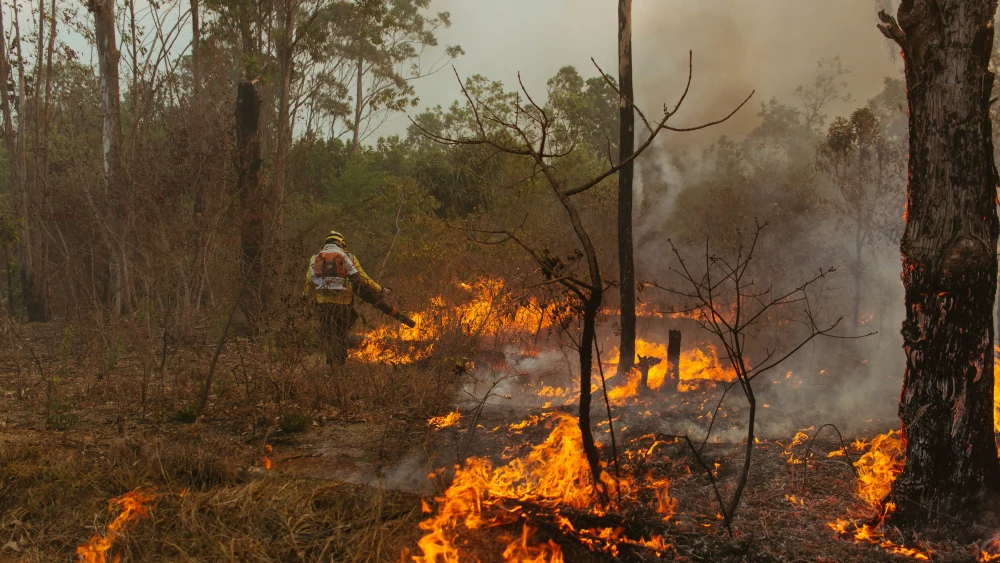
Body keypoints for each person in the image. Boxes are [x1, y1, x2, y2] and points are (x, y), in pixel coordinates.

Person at [304, 230, 391, 365]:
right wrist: (380, 290)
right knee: (341, 333)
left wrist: (305, 297)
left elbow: (309, 280)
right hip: (344, 304)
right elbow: (363, 278)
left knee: (329, 334)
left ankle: (332, 364)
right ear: (342, 244)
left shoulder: (315, 257)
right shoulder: (349, 257)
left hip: (323, 305)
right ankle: (340, 362)